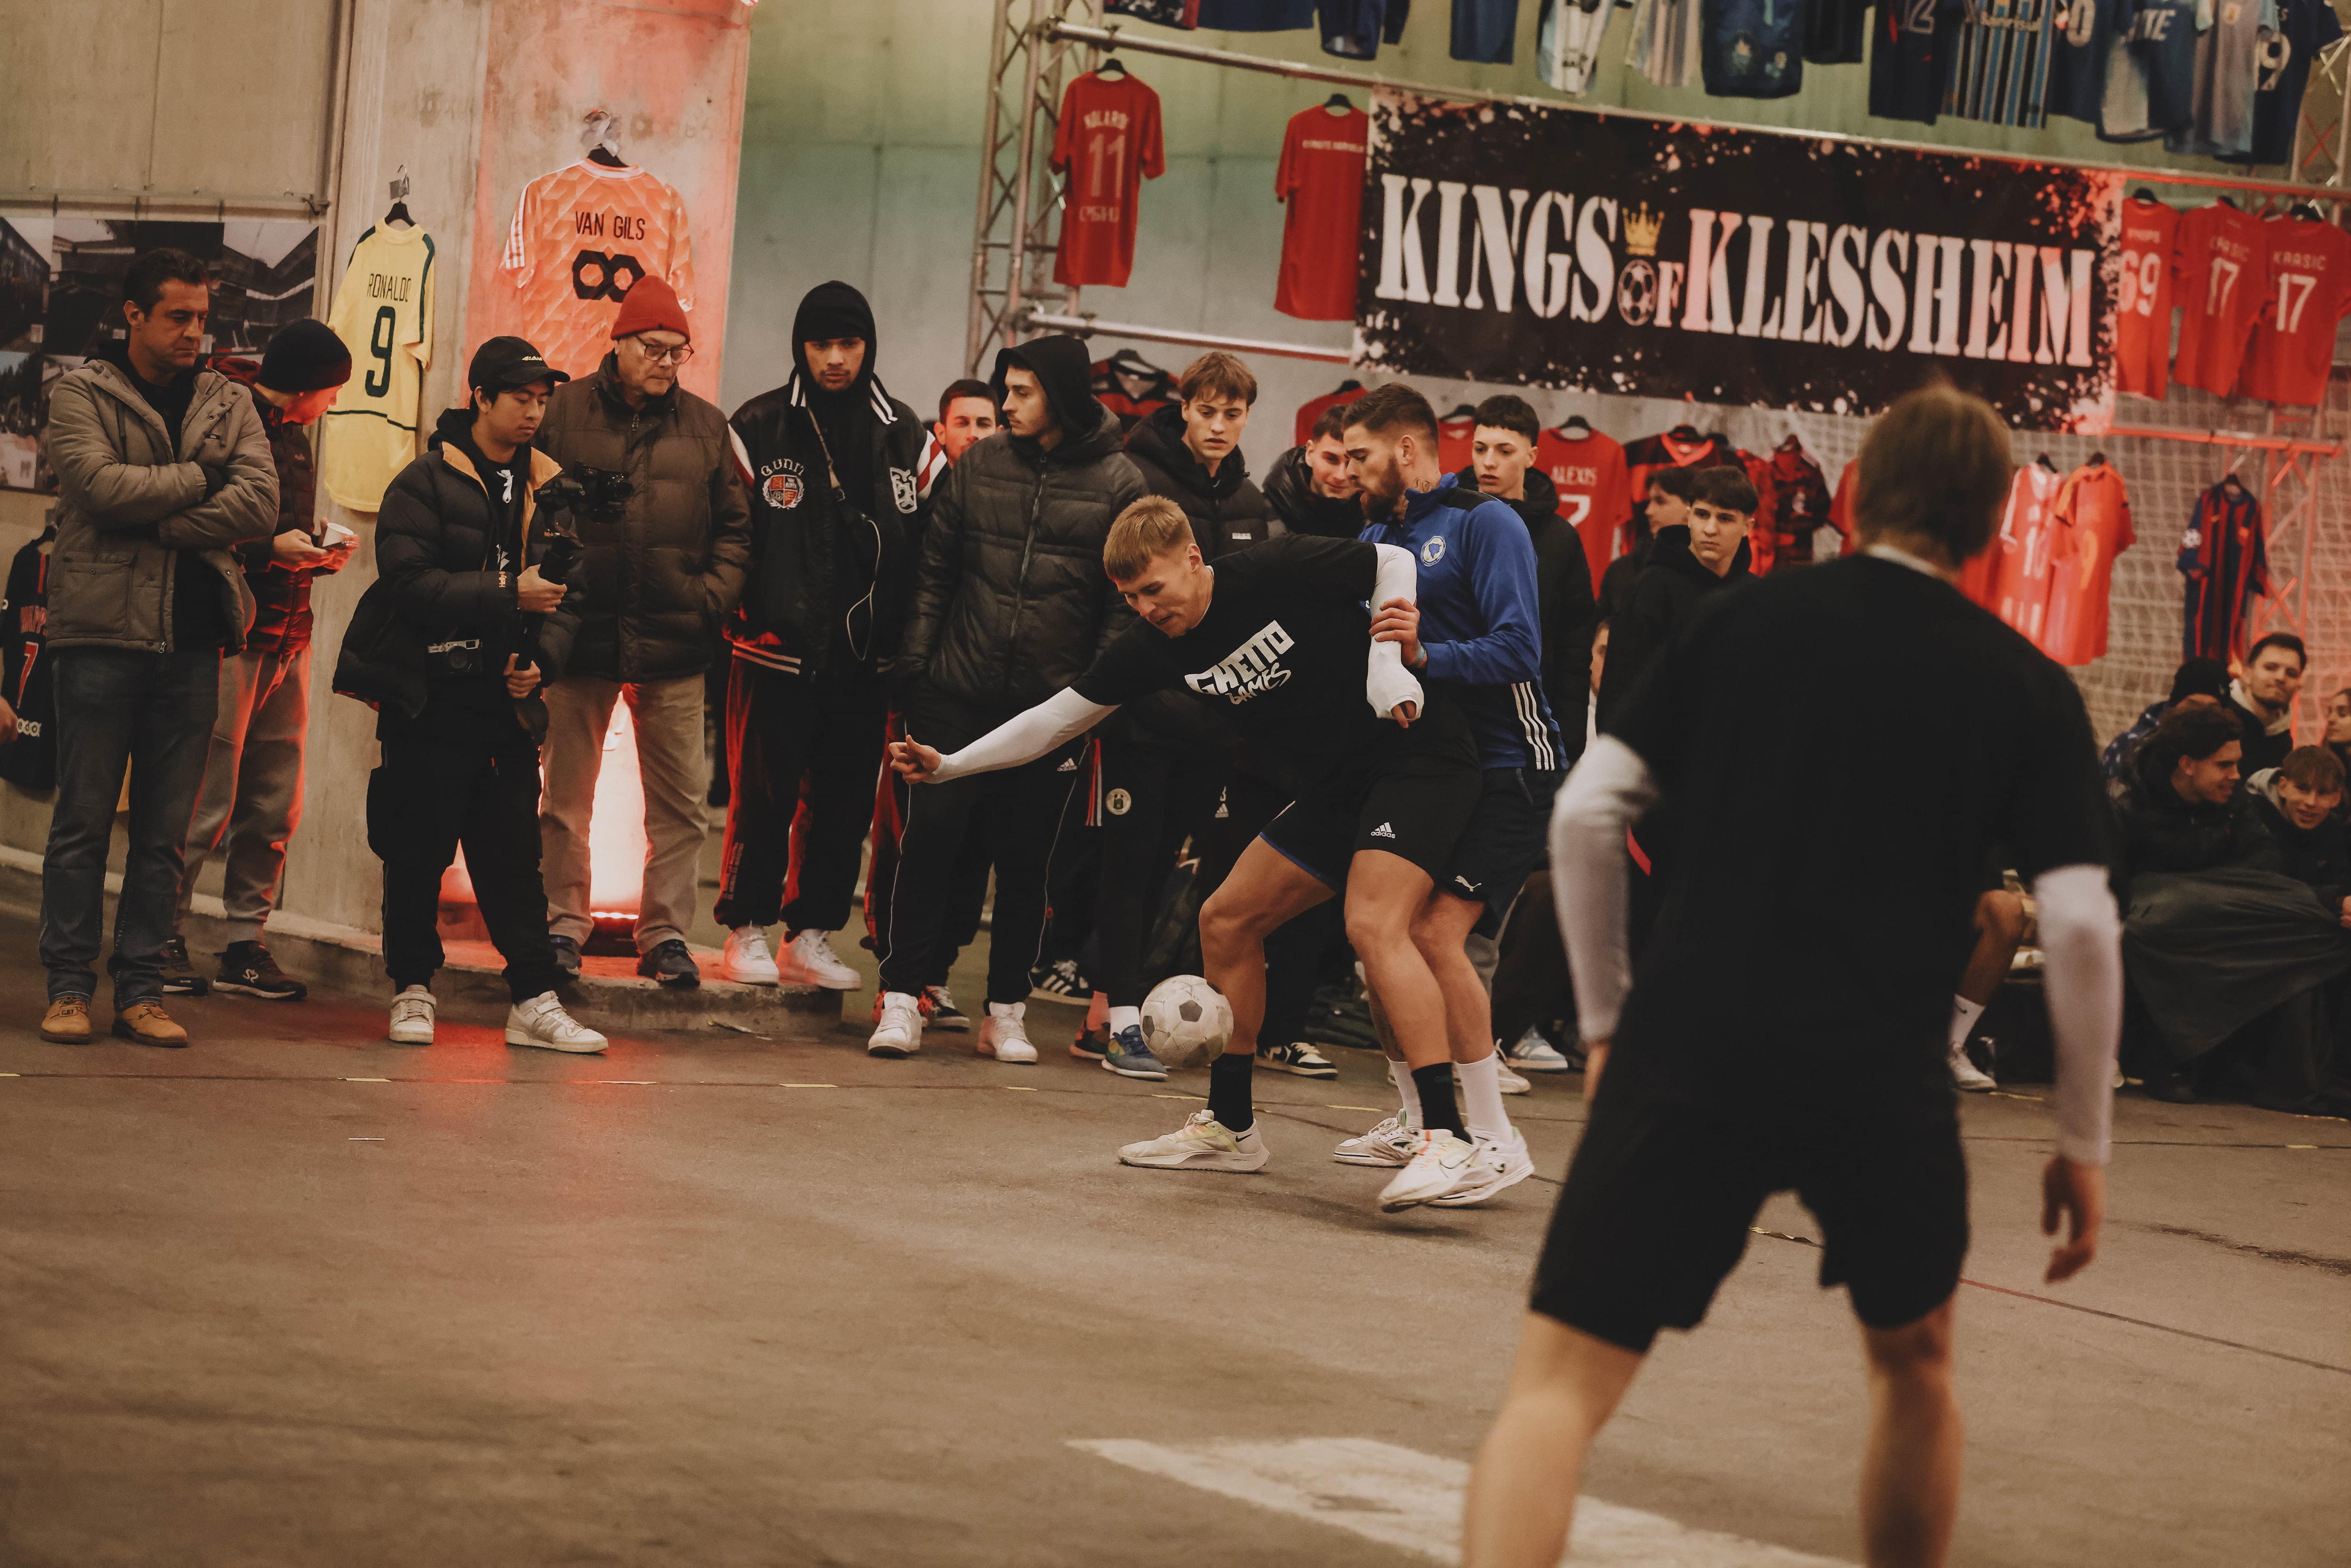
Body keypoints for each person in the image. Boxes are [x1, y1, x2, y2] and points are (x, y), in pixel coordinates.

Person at [1462, 386, 2120, 1568]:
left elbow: (1588, 813)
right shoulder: (2025, 684)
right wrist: (2082, 1138)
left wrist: (1607, 1024)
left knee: (1556, 1384)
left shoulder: (1741, 623)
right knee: (1914, 1366)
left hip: (1692, 1039)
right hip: (1879, 1066)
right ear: (1990, 524)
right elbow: (2075, 924)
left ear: (1855, 499)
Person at [890, 498, 1493, 1211]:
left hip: (1418, 756)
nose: (1146, 608)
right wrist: (952, 765)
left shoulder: (1273, 568)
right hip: (1337, 787)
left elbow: (1391, 560)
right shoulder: (1152, 647)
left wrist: (1385, 663)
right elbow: (1053, 720)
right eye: (1130, 597)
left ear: (1193, 559)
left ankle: (1448, 1137)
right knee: (1225, 919)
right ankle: (1232, 1127)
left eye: (1154, 588)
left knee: (1373, 923)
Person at [869, 333, 1144, 1063]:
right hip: (955, 690)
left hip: (1049, 711)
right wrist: (918, 665)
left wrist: (1089, 696)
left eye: (1022, 392)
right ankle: (901, 999)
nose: (1007, 405)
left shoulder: (1120, 481)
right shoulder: (983, 463)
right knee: (931, 842)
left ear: (1061, 395)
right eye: (1006, 390)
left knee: (1025, 863)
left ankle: (1006, 1013)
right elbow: (936, 570)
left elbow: (1120, 607)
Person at [1332, 384, 1566, 1205]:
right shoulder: (1375, 536)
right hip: (1433, 767)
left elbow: (1521, 649)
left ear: (1406, 450)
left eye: (1360, 456)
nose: (1347, 471)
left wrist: (1429, 655)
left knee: (1435, 933)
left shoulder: (1485, 522)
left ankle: (1495, 1140)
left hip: (1515, 764)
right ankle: (1417, 1118)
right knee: (1381, 932)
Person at [334, 337, 603, 1052]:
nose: (534, 412)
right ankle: (412, 987)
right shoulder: (424, 480)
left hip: (506, 705)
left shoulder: (551, 484)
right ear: (480, 397)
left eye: (542, 399)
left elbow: (569, 596)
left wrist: (541, 663)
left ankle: (534, 998)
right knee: (415, 852)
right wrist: (508, 590)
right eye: (520, 397)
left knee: (513, 858)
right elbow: (407, 583)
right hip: (428, 697)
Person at [37, 248, 276, 1047]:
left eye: (202, 318)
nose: (194, 333)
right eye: (178, 316)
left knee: (165, 836)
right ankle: (69, 988)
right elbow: (97, 488)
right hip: (100, 635)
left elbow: (261, 504)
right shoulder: (81, 393)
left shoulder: (228, 400)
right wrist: (202, 480)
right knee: (82, 822)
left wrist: (160, 517)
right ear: (134, 315)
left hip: (195, 642)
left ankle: (141, 990)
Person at [535, 276, 752, 988]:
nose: (666, 362)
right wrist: (549, 593)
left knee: (683, 806)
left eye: (677, 351)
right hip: (578, 635)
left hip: (674, 641)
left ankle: (664, 936)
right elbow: (529, 506)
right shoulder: (562, 412)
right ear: (620, 343)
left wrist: (707, 599)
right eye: (654, 348)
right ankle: (562, 927)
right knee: (565, 800)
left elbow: (737, 530)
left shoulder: (706, 426)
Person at [717, 282, 924, 992]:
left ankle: (809, 935)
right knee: (762, 797)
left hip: (866, 662)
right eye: (820, 344)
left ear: (869, 346)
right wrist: (744, 618)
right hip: (773, 652)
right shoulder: (758, 425)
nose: (835, 359)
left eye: (848, 343)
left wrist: (905, 644)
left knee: (842, 806)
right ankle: (745, 926)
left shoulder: (906, 433)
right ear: (800, 346)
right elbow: (727, 536)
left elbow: (930, 548)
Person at [1081, 351, 1283, 1079]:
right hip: (1141, 722)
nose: (1219, 425)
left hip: (1217, 732)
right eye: (1207, 411)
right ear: (1184, 408)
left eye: (1234, 413)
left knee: (1199, 874)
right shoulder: (1140, 480)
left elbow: (1257, 616)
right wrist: (1138, 700)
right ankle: (1115, 1021)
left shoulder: (1255, 503)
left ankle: (1191, 1022)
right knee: (1129, 868)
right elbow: (1116, 606)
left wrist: (1230, 715)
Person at [171, 319, 355, 1001]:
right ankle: (160, 933)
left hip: (288, 637)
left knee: (276, 802)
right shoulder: (228, 420)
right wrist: (267, 550)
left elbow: (272, 529)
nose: (334, 402)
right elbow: (196, 522)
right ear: (307, 386)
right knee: (203, 798)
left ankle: (245, 943)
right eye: (332, 389)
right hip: (230, 636)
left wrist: (312, 547)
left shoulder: (296, 435)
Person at [1595, 463, 1753, 732]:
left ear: (1747, 526)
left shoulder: (1753, 596)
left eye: (1725, 519)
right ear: (1689, 517)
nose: (1710, 529)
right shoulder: (1651, 587)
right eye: (1702, 515)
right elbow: (1619, 691)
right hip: (1660, 750)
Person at [1593, 465, 1696, 622]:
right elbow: (1597, 625)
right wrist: (1606, 628)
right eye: (1650, 501)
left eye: (1660, 502)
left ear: (1692, 508)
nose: (1649, 511)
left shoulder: (1712, 568)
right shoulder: (1623, 570)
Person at [2100, 656, 2230, 780]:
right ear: (2174, 705)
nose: (2202, 716)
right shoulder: (2133, 749)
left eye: (2213, 710)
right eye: (2193, 707)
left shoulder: (2228, 748)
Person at [1262, 405, 1366, 537]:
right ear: (1310, 453)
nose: (1340, 476)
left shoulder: (1379, 520)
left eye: (1353, 462)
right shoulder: (1260, 515)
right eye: (1331, 459)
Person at [2225, 632, 2306, 776]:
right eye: (2270, 668)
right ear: (2248, 674)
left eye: (2291, 673)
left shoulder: (2284, 740)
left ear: (2298, 686)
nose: (2281, 677)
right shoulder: (2218, 718)